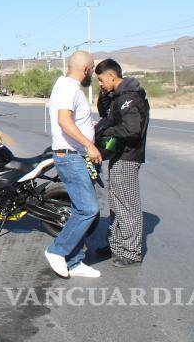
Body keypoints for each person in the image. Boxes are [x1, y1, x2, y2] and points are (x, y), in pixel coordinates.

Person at [44, 51, 103, 279]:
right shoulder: (69, 88)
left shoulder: (64, 85)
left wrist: (88, 125)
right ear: (86, 69)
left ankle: (75, 262)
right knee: (88, 209)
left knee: (80, 208)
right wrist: (89, 145)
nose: (93, 73)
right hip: (71, 156)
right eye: (93, 68)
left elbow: (71, 120)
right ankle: (57, 250)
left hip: (73, 154)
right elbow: (64, 120)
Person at [94, 58, 150, 267]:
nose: (100, 84)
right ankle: (116, 246)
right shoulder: (118, 96)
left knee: (127, 205)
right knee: (117, 203)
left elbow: (132, 129)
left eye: (101, 80)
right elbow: (104, 113)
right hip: (119, 155)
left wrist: (106, 131)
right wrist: (104, 93)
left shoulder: (130, 98)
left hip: (128, 156)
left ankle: (131, 251)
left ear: (111, 76)